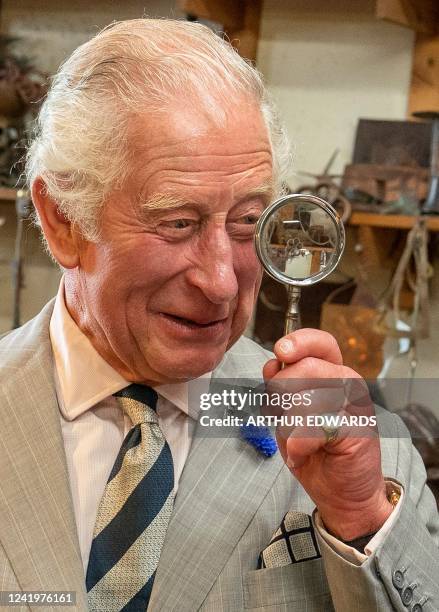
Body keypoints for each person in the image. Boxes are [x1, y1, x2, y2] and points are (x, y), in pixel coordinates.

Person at [0, 18, 437, 612]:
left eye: (246, 224)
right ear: (63, 221)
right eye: (177, 223)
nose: (222, 282)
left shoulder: (368, 459)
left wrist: (359, 517)